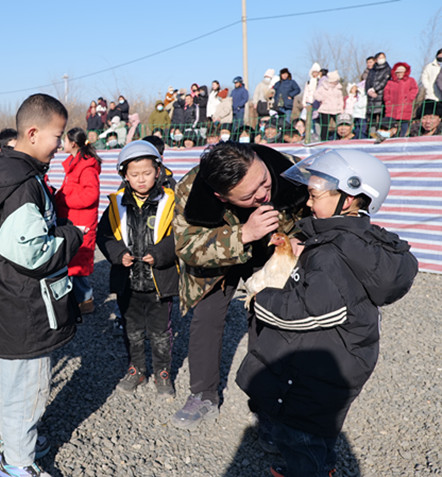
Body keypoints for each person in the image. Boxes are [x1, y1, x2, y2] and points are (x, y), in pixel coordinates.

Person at [236, 149, 417, 477]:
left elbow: (311, 312)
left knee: (301, 435)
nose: (306, 203)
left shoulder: (332, 253)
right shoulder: (342, 239)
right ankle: (323, 465)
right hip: (333, 360)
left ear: (347, 200)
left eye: (314, 194)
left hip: (319, 372)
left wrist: (260, 298)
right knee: (319, 431)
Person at [0, 93, 82, 477]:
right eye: (57, 136)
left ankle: (19, 442)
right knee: (28, 386)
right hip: (25, 305)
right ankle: (18, 463)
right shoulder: (23, 185)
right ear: (32, 133)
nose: (62, 145)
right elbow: (30, 253)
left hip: (3, 297)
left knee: (11, 381)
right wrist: (71, 236)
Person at [170, 142, 309, 430]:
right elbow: (187, 247)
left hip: (273, 252)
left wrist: (302, 238)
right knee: (206, 317)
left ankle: (267, 399)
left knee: (269, 317)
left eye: (263, 181)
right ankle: (203, 394)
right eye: (250, 195)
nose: (263, 194)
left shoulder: (292, 168)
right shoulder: (190, 190)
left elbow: (320, 210)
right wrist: (243, 234)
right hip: (223, 256)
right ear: (221, 196)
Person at [96, 140, 178, 397]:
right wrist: (118, 254)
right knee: (131, 328)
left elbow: (180, 236)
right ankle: (137, 369)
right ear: (124, 175)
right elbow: (104, 236)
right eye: (134, 174)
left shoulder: (171, 201)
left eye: (146, 173)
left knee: (160, 331)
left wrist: (161, 254)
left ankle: (163, 373)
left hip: (158, 282)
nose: (141, 179)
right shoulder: (116, 203)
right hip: (127, 282)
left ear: (158, 171)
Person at [54, 127, 102, 314]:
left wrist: (65, 198)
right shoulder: (76, 164)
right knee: (71, 261)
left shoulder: (87, 167)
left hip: (82, 222)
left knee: (77, 263)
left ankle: (85, 300)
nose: (62, 144)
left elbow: (91, 195)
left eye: (64, 141)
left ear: (73, 143)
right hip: (74, 219)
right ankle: (79, 299)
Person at [383, 62, 418, 137]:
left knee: (404, 122)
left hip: (405, 105)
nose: (399, 74)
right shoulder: (390, 82)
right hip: (392, 105)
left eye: (401, 72)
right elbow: (386, 92)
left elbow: (414, 89)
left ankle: (402, 136)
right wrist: (387, 101)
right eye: (397, 72)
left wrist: (409, 98)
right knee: (391, 123)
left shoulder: (410, 80)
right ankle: (391, 137)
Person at [313, 70, 344, 141]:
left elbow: (340, 99)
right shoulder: (323, 87)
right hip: (325, 110)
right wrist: (322, 99)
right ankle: (323, 140)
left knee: (340, 125)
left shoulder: (338, 88)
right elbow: (316, 94)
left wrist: (341, 108)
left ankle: (340, 139)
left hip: (337, 110)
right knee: (325, 127)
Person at [365, 52, 391, 133]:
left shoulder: (387, 69)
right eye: (380, 57)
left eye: (383, 57)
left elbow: (384, 81)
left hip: (381, 95)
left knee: (381, 116)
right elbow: (368, 81)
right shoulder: (372, 70)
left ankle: (381, 132)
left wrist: (375, 89)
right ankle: (371, 133)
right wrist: (368, 90)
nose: (381, 59)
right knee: (371, 116)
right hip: (371, 97)